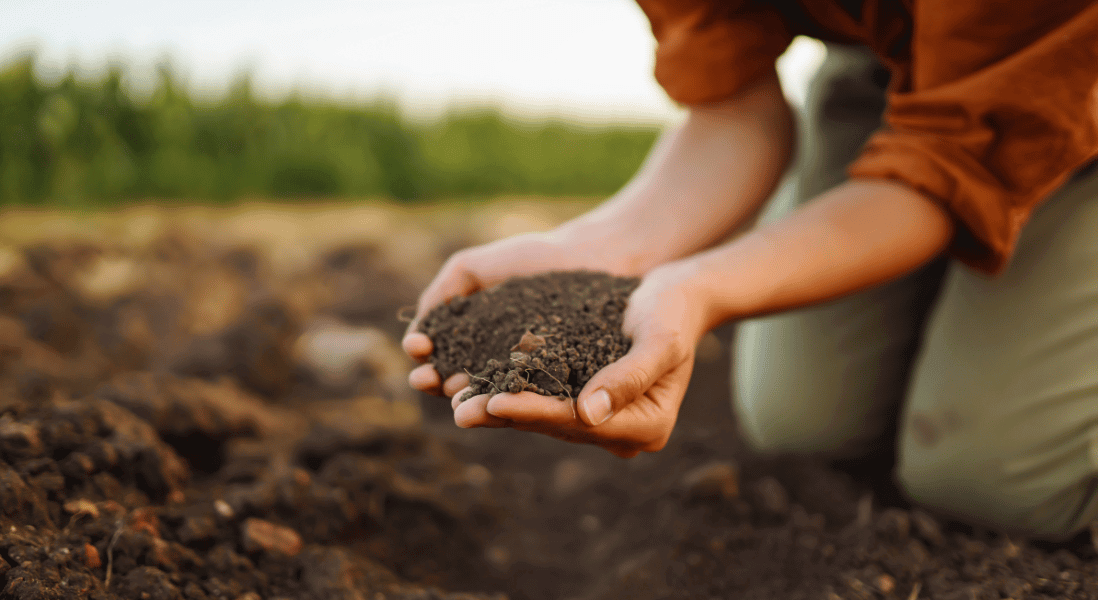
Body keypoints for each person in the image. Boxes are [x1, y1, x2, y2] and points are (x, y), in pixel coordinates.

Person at [403, 0, 1098, 539]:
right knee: (804, 423)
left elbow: (945, 169)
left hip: (1069, 66)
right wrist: (608, 251)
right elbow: (735, 109)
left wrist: (703, 287)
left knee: (990, 480)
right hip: (898, 68)